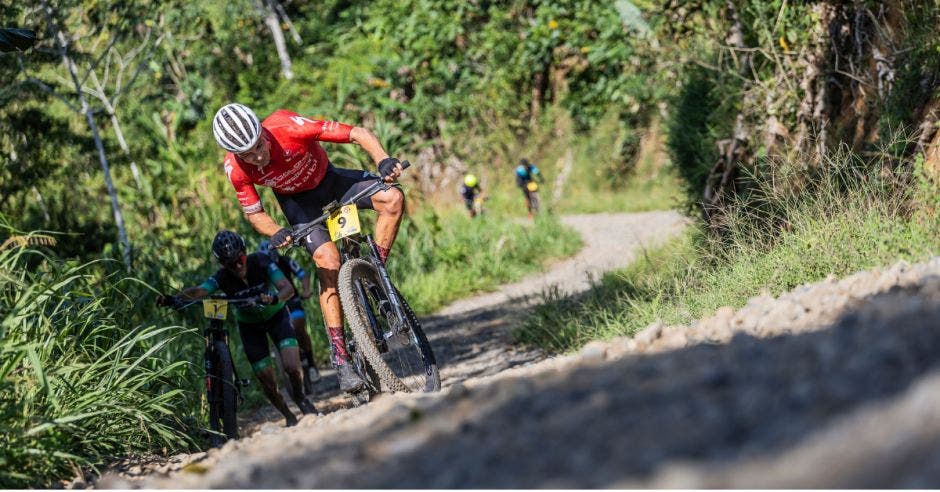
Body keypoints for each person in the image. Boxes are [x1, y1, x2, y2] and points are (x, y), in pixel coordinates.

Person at [211, 103, 406, 393]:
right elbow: (255, 213)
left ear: (263, 132)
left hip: (332, 182)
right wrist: (276, 231)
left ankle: (374, 273)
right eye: (247, 155)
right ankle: (341, 358)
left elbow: (357, 133)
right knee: (328, 260)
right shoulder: (236, 169)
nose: (257, 157)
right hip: (298, 207)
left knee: (393, 200)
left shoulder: (288, 127)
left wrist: (383, 160)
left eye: (258, 146)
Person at [157, 231, 318, 426]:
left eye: (240, 259)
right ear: (223, 265)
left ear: (245, 252)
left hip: (277, 317)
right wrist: (174, 298)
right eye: (231, 263)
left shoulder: (261, 260)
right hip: (250, 328)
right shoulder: (222, 277)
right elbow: (200, 291)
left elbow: (287, 288)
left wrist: (274, 298)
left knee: (292, 367)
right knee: (267, 381)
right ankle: (287, 414)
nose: (238, 265)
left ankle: (300, 398)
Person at [258, 239, 320, 393]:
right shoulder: (258, 268)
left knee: (298, 326)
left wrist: (306, 290)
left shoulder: (286, 261)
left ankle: (311, 363)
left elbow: (302, 275)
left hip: (292, 302)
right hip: (274, 306)